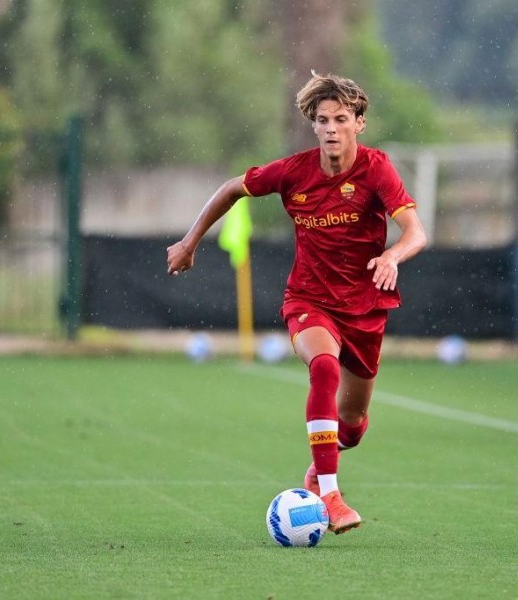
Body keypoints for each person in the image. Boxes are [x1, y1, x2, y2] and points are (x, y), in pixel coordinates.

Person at [165, 72, 427, 534]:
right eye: (322, 119)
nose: (330, 128)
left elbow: (416, 232)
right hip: (309, 299)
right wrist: (189, 242)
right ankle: (330, 493)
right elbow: (230, 188)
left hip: (365, 306)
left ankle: (321, 465)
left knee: (352, 425)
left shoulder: (376, 170)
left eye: (341, 119)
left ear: (359, 123)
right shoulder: (292, 172)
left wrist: (392, 255)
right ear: (313, 124)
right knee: (322, 366)